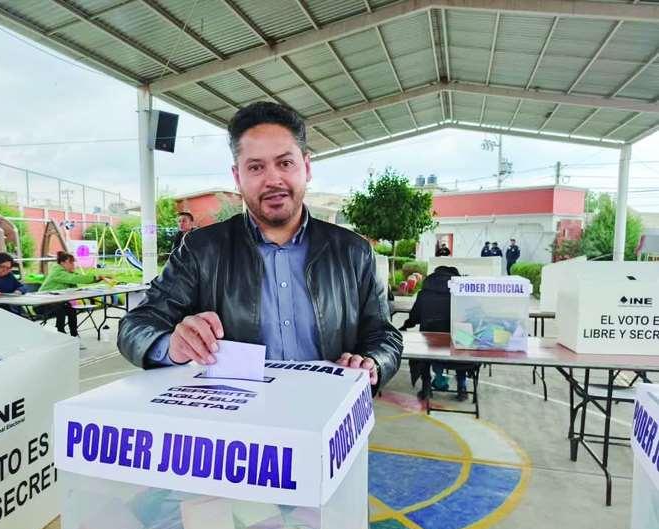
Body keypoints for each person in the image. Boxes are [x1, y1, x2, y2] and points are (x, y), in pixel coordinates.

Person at [118, 101, 402, 389]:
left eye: (285, 163)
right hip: (239, 414)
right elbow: (136, 326)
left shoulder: (353, 252)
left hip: (331, 408)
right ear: (237, 177)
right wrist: (172, 345)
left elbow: (384, 335)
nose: (273, 180)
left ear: (306, 167)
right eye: (255, 167)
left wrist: (373, 361)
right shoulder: (201, 251)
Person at [400, 266, 475, 401]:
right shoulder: (460, 294)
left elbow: (415, 317)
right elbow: (471, 318)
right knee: (463, 343)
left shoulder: (424, 294)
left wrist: (405, 325)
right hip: (455, 342)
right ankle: (462, 387)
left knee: (423, 348)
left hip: (430, 345)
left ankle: (427, 387)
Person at [39, 251, 105, 345]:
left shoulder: (66, 272)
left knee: (71, 309)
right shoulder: (58, 273)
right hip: (42, 303)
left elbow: (77, 279)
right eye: (71, 262)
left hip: (56, 302)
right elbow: (75, 279)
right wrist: (95, 278)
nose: (73, 265)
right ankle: (61, 335)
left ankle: (74, 336)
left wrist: (96, 279)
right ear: (63, 263)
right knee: (60, 309)